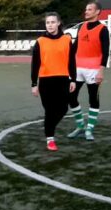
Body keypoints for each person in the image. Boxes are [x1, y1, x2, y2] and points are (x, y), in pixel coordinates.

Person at [31, 12, 77, 152]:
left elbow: (71, 62)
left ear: (58, 23)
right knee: (50, 111)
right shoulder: (40, 41)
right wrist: (34, 84)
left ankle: (48, 127)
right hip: (46, 81)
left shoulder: (66, 40)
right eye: (47, 22)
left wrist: (73, 79)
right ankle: (50, 139)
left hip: (63, 80)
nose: (50, 25)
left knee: (63, 109)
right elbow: (35, 64)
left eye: (52, 22)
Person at [68, 2, 110, 141]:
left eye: (90, 9)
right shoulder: (81, 26)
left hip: (94, 70)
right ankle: (80, 126)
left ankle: (89, 129)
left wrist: (101, 71)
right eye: (86, 9)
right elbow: (75, 46)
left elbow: (105, 52)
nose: (86, 11)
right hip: (77, 68)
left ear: (97, 12)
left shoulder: (103, 29)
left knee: (93, 99)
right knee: (71, 96)